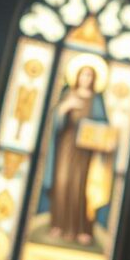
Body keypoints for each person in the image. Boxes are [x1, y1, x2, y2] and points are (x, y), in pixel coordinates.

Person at [45, 59, 110, 246]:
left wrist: (96, 131)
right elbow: (55, 122)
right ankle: (58, 225)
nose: (86, 78)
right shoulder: (69, 94)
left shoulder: (96, 99)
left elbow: (104, 125)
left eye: (90, 75)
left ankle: (81, 229)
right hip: (65, 147)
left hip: (86, 151)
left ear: (95, 78)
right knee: (62, 183)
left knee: (80, 187)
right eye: (83, 74)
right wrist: (65, 108)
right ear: (77, 76)